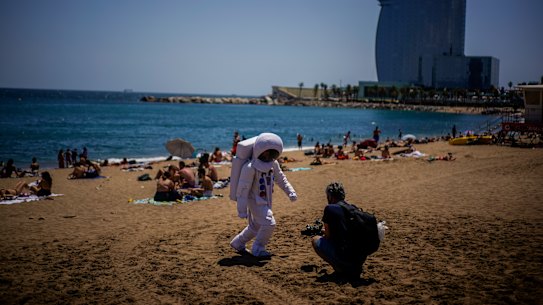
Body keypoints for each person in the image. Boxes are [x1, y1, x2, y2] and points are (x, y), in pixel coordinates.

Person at [230, 132, 298, 257]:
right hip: (254, 200)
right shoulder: (249, 167)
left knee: (255, 226)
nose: (267, 154)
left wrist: (290, 191)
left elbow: (281, 179)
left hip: (266, 199)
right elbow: (243, 190)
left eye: (270, 151)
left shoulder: (273, 164)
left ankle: (238, 243)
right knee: (269, 222)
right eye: (265, 151)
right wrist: (242, 210)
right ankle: (258, 248)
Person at [311, 182, 366, 279]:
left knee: (315, 240)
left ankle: (340, 269)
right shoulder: (353, 208)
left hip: (343, 253)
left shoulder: (329, 208)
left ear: (330, 196)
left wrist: (323, 232)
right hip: (359, 256)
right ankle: (355, 267)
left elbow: (328, 236)